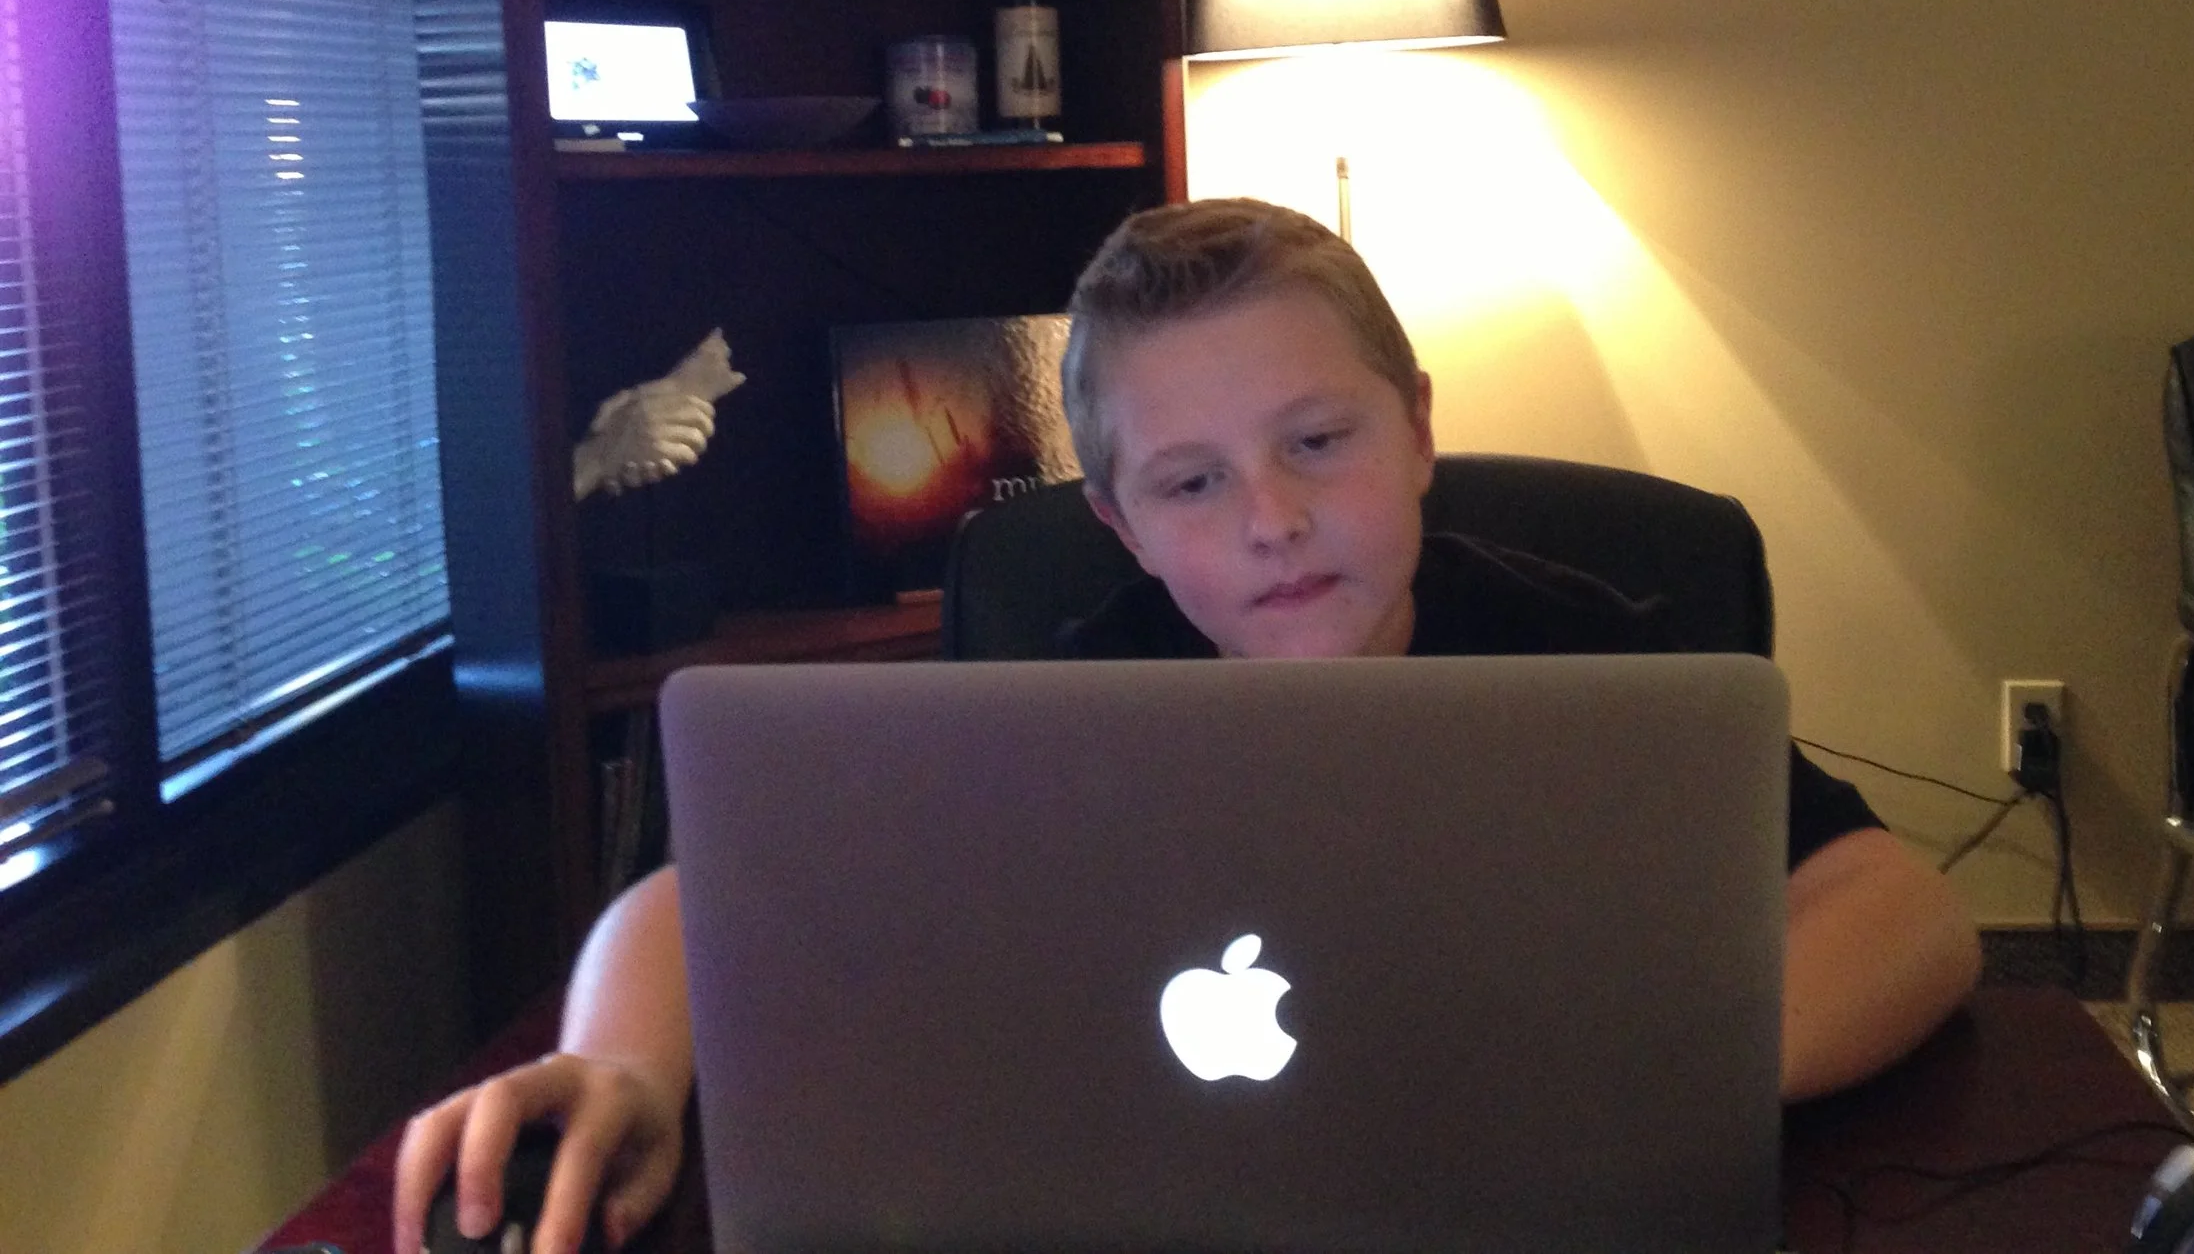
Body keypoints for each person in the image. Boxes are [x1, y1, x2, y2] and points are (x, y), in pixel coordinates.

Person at [394, 198, 1981, 1254]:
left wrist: (1672, 1069)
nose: (1273, 518)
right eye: (1195, 480)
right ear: (1124, 525)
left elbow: (1900, 906)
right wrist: (618, 1064)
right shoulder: (1069, 703)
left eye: (1318, 440)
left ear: (1419, 429)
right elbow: (708, 898)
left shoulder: (1598, 656)